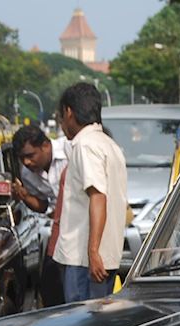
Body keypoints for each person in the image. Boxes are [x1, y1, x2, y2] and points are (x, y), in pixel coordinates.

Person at [53, 82, 128, 302]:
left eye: (61, 115)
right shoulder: (109, 144)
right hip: (105, 257)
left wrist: (93, 252)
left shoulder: (85, 145)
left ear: (69, 112)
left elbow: (98, 196)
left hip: (85, 260)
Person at [11, 125, 70, 307]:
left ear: (45, 146)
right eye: (22, 158)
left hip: (81, 225)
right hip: (59, 229)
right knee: (50, 284)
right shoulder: (27, 174)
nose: (27, 162)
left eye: (30, 156)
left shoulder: (70, 151)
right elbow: (43, 205)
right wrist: (25, 196)